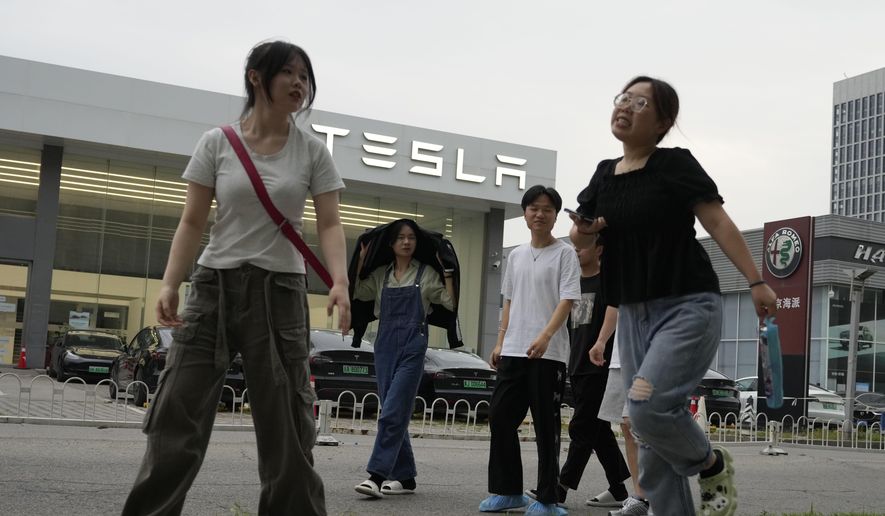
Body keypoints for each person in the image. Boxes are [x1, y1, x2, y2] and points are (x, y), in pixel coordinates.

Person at [122, 40, 351, 516]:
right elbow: (191, 220)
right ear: (255, 77)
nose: (299, 83)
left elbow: (330, 223)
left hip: (280, 292)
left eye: (305, 77)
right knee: (175, 414)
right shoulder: (217, 142)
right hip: (213, 287)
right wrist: (169, 283)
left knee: (286, 421)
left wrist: (340, 283)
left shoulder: (312, 152)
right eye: (288, 73)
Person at [569, 76, 777, 516]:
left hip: (687, 304)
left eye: (640, 102)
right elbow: (579, 238)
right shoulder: (604, 174)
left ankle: (710, 463)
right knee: (648, 435)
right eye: (623, 98)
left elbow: (718, 222)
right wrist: (584, 230)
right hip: (634, 311)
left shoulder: (675, 164)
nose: (625, 106)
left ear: (663, 121)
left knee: (644, 408)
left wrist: (756, 280)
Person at [480, 185, 581, 516]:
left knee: (545, 426)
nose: (540, 214)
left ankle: (548, 499)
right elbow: (508, 300)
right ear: (525, 213)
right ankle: (508, 491)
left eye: (547, 209)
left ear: (555, 216)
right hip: (513, 351)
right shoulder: (517, 255)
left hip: (548, 355)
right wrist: (500, 340)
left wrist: (546, 336)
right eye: (534, 208)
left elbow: (567, 299)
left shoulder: (565, 254)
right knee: (500, 418)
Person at [352, 219, 454, 498]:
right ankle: (406, 477)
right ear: (391, 244)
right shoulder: (380, 276)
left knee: (393, 410)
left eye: (411, 237)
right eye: (401, 238)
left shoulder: (426, 274)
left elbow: (449, 302)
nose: (407, 242)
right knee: (391, 409)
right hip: (384, 346)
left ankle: (376, 475)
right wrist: (360, 262)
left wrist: (447, 272)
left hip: (413, 346)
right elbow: (358, 291)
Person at [527, 235, 630, 508]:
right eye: (575, 246)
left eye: (583, 245)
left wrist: (600, 343)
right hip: (575, 364)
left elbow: (615, 311)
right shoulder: (572, 283)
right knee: (598, 430)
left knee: (582, 427)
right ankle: (619, 490)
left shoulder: (608, 281)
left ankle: (559, 487)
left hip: (599, 365)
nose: (577, 250)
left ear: (599, 248)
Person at [596, 320, 650, 516]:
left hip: (651, 351)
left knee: (638, 424)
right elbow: (615, 303)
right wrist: (602, 340)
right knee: (627, 428)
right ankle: (640, 498)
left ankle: (656, 496)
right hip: (621, 354)